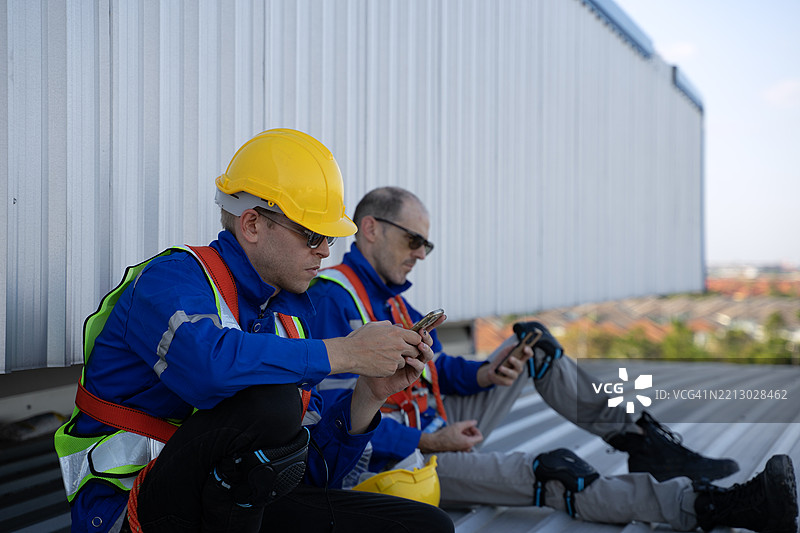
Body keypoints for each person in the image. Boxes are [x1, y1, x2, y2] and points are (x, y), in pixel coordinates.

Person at [306, 186, 798, 532]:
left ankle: (638, 438)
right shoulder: (335, 299)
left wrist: (483, 370)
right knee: (555, 471)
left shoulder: (392, 299)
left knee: (533, 345)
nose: (421, 254)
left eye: (427, 245)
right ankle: (708, 506)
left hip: (432, 426)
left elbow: (436, 368)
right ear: (369, 229)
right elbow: (343, 418)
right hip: (401, 458)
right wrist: (431, 438)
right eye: (415, 240)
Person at [55, 133, 454, 533]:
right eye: (312, 235)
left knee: (426, 526)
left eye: (329, 237)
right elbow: (207, 367)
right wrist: (344, 353)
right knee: (272, 400)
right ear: (251, 224)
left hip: (223, 505)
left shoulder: (287, 324)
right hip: (128, 511)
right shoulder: (171, 280)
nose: (325, 251)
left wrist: (370, 393)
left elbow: (309, 473)